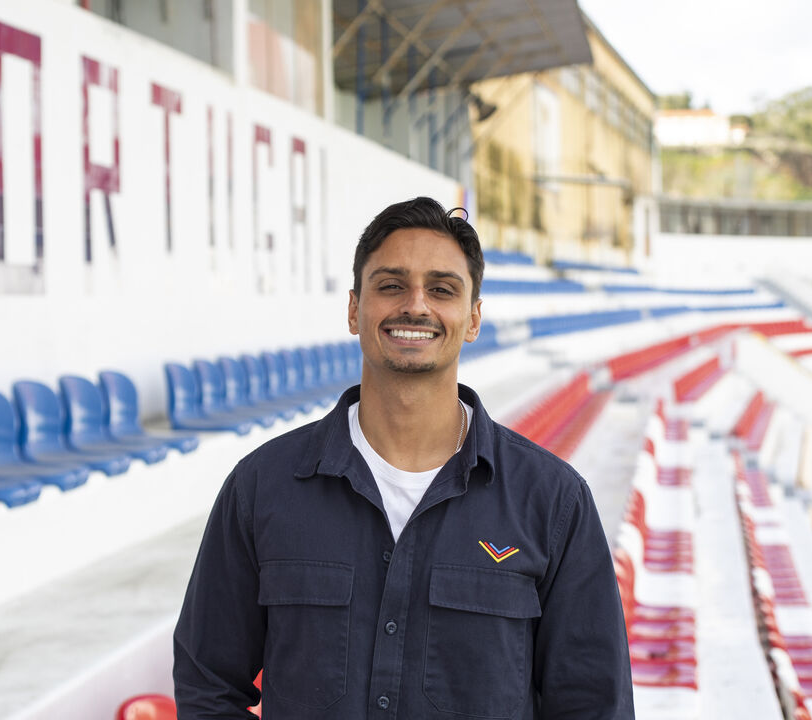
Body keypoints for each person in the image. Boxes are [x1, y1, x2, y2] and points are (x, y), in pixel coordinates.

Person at [173, 196, 634, 719]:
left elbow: (595, 703)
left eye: (442, 289)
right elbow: (207, 682)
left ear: (474, 317)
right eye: (391, 285)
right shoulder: (263, 486)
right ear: (354, 309)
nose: (416, 305)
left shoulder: (552, 501)